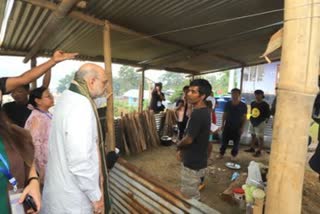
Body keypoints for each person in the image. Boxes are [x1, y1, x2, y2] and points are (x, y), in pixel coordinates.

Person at [0, 50, 77, 214]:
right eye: (14, 91)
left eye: (20, 90)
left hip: (21, 150)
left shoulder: (31, 110)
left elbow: (28, 78)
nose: (16, 93)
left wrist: (52, 62)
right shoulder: (10, 109)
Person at [42, 63, 112, 214]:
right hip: (73, 198)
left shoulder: (66, 98)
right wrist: (95, 196)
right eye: (104, 82)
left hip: (60, 189)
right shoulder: (81, 106)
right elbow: (80, 160)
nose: (106, 87)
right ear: (92, 81)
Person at [176, 79, 211, 200]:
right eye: (188, 91)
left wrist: (178, 146)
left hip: (192, 163)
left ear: (202, 96)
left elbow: (189, 139)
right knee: (193, 191)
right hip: (199, 159)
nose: (188, 94)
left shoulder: (198, 114)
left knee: (189, 197)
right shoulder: (204, 110)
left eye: (193, 91)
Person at [24, 87, 54, 186]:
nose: (52, 97)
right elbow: (35, 144)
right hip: (44, 165)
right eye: (48, 96)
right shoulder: (36, 118)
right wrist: (40, 169)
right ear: (38, 101)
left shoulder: (46, 114)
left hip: (51, 162)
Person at [217, 88, 247, 161]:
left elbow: (244, 117)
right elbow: (225, 115)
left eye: (236, 94)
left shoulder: (243, 105)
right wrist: (222, 124)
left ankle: (233, 155)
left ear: (239, 95)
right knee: (224, 141)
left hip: (237, 126)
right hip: (228, 125)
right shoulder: (228, 104)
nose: (234, 95)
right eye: (233, 94)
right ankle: (221, 153)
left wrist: (242, 127)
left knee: (236, 143)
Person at [245, 90, 271, 157]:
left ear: (262, 95)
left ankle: (259, 150)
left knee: (260, 137)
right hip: (253, 121)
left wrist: (265, 121)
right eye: (256, 94)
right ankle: (252, 148)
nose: (257, 96)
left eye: (259, 94)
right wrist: (250, 118)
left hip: (261, 122)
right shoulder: (253, 103)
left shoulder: (265, 104)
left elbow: (268, 114)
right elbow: (251, 111)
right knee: (253, 135)